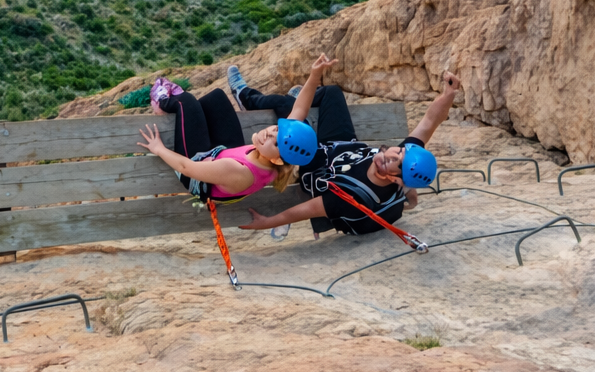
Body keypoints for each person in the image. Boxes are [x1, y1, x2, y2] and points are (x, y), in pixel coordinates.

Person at [226, 65, 462, 237]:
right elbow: (431, 121)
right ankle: (305, 98)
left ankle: (246, 97)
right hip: (345, 147)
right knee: (332, 94)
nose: (392, 154)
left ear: (397, 180)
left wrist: (266, 222)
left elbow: (304, 210)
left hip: (320, 165)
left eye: (396, 163)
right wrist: (449, 93)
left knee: (288, 112)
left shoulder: (351, 196)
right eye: (399, 153)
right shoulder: (405, 160)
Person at [136, 54, 339, 204]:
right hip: (224, 156)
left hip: (197, 170)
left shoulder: (238, 172)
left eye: (275, 141)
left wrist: (158, 148)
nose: (270, 133)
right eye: (277, 129)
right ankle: (188, 116)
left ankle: (162, 102)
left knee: (186, 103)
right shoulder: (280, 159)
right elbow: (299, 109)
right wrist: (314, 76)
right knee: (216, 97)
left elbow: (186, 168)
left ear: (277, 159)